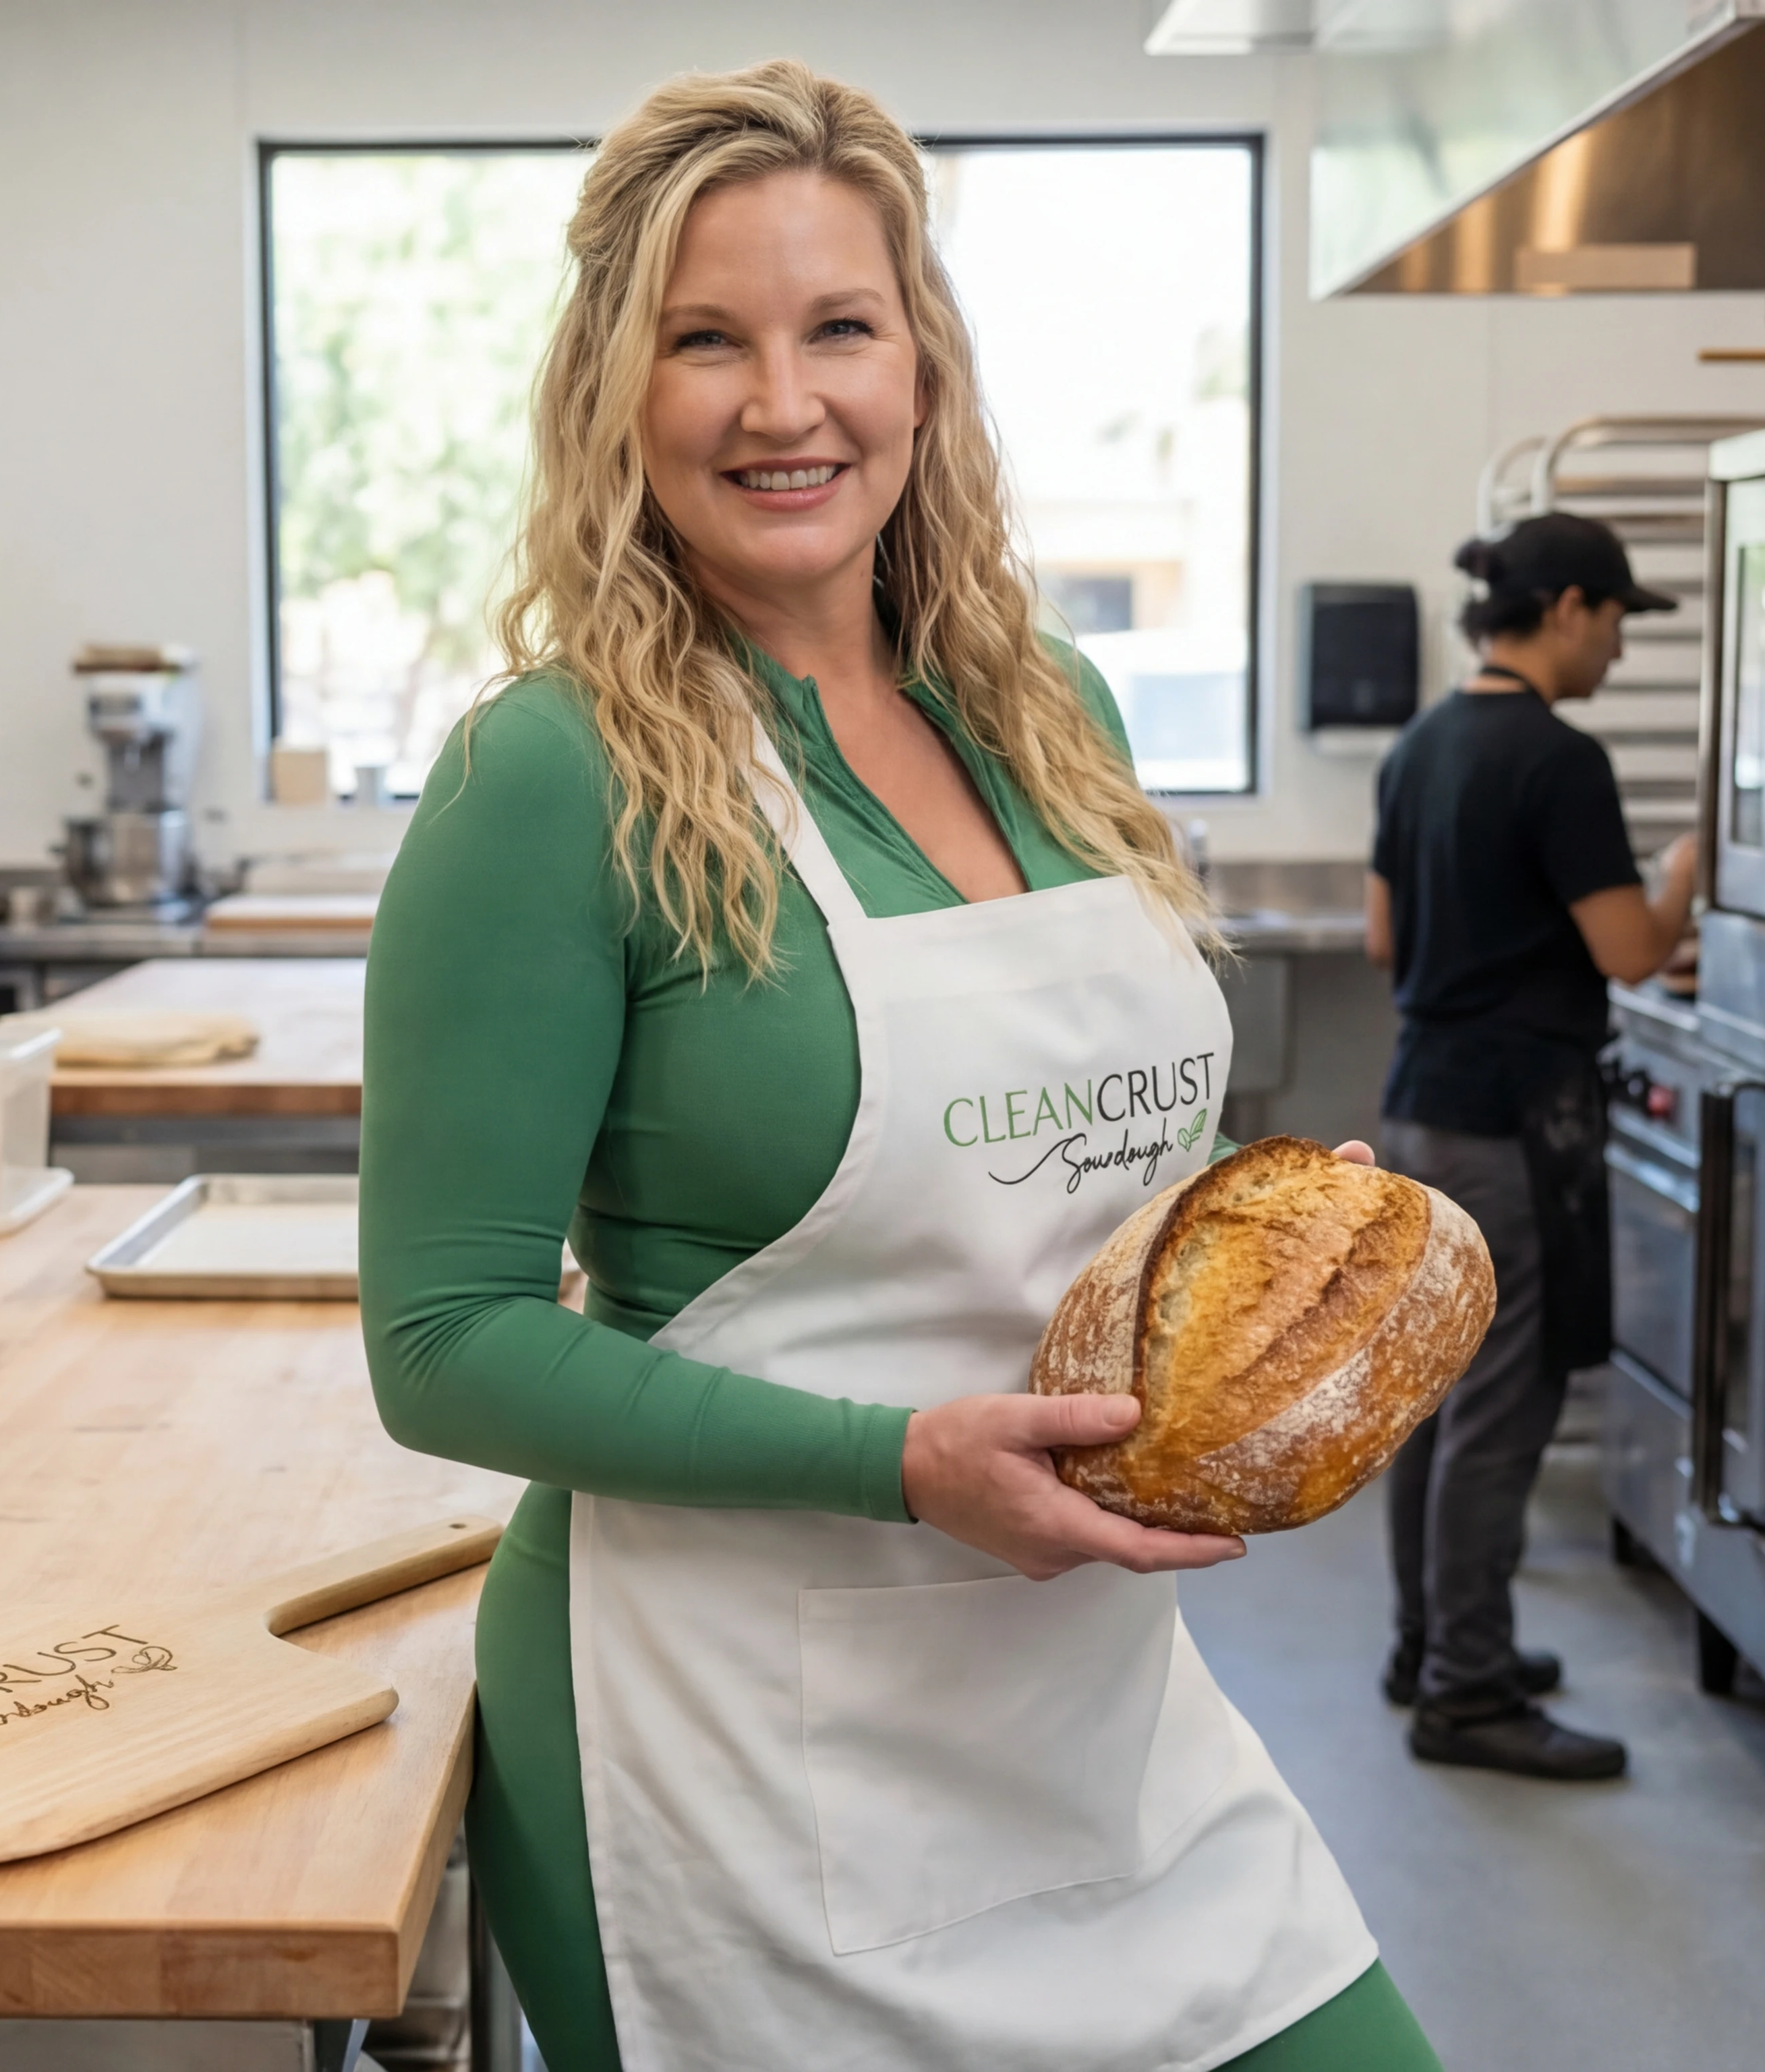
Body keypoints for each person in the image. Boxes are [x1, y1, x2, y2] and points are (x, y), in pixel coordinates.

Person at [361, 63, 1437, 2072]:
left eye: (836, 327)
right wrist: (901, 1463)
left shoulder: (1048, 711)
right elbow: (439, 1340)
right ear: (615, 391)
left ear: (919, 368)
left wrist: (1282, 1264)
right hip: (736, 1745)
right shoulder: (551, 775)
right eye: (706, 341)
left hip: (1092, 1706)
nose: (783, 405)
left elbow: (1086, 1173)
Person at [1363, 513, 1698, 1782]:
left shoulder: (1417, 746)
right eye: (1614, 620)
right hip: (1509, 1126)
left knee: (1432, 1397)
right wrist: (1682, 872)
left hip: (1415, 1106)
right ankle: (1467, 1689)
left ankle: (1429, 1642)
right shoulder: (1558, 761)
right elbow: (1628, 951)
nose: (1616, 648)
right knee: (1501, 1407)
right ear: (1564, 607)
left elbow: (1380, 941)